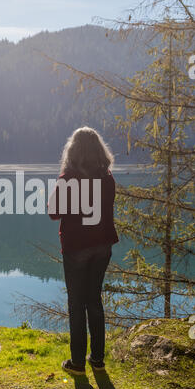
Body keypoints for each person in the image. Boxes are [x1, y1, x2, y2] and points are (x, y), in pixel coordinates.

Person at [48, 126, 119, 375]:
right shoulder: (107, 177)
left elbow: (53, 213)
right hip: (102, 246)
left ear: (73, 150)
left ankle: (77, 363)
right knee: (94, 300)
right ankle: (97, 360)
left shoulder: (68, 179)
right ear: (99, 149)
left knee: (77, 304)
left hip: (77, 247)